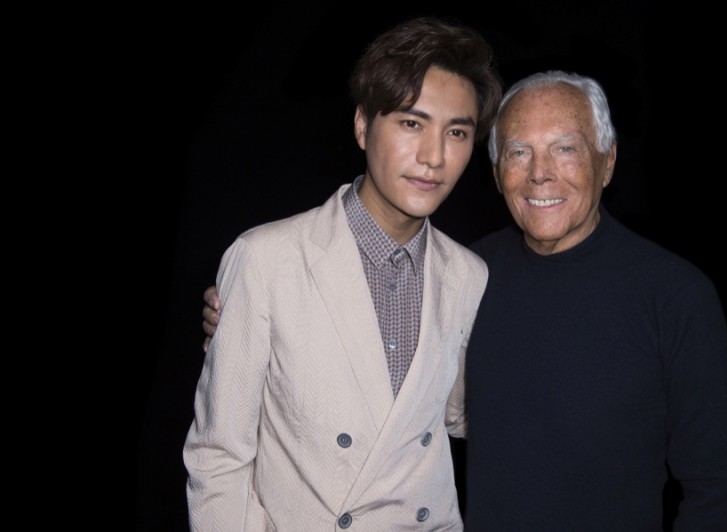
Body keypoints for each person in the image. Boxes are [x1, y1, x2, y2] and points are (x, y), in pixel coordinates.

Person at [202, 70, 727, 529]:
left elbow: (719, 490)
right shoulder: (468, 275)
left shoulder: (677, 296)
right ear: (496, 173)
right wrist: (250, 320)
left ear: (607, 161)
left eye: (565, 148)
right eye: (519, 152)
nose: (541, 174)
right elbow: (410, 391)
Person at [183, 16, 502, 531]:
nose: (434, 157)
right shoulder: (268, 259)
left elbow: (457, 416)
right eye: (411, 123)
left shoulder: (469, 276)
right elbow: (217, 456)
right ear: (362, 125)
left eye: (457, 132)